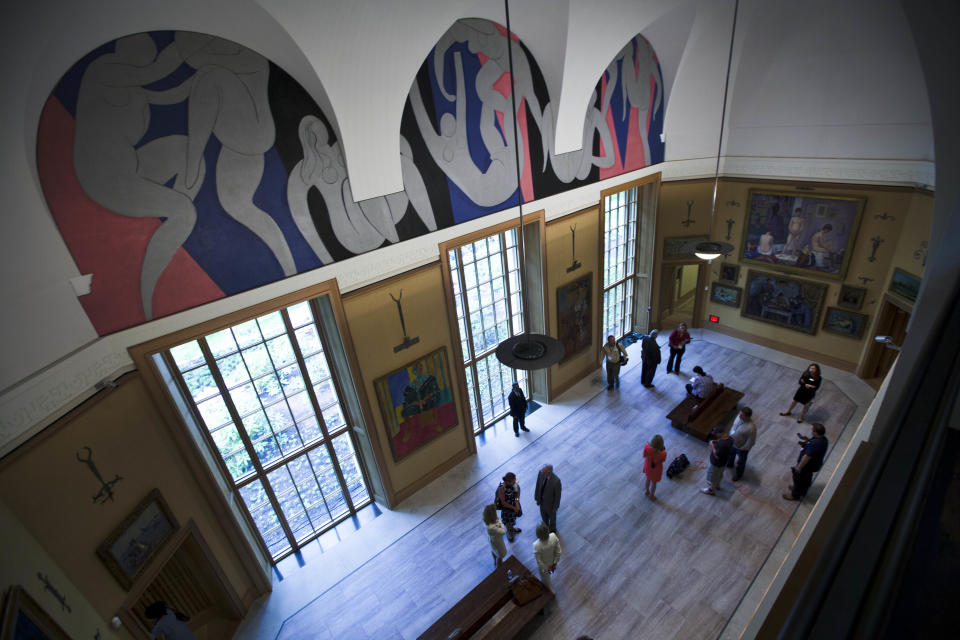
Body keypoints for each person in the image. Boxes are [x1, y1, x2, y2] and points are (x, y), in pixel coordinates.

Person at [784, 423, 828, 501]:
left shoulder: (815, 444)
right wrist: (807, 440)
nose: (811, 432)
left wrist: (799, 467)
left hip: (807, 466)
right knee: (806, 479)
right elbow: (814, 448)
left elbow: (807, 457)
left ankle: (795, 495)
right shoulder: (823, 440)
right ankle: (801, 490)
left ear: (816, 432)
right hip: (813, 465)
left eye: (812, 430)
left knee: (798, 478)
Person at [701, 426, 732, 496]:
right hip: (723, 463)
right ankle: (717, 485)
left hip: (717, 464)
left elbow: (717, 456)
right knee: (719, 475)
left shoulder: (723, 445)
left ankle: (711, 490)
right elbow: (723, 446)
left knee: (713, 476)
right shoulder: (729, 439)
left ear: (720, 433)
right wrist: (717, 442)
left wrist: (712, 446)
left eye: (716, 434)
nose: (715, 435)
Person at [727, 407, 756, 481]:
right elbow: (734, 426)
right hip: (733, 442)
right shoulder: (738, 417)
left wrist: (743, 448)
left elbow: (751, 441)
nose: (739, 416)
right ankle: (730, 464)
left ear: (747, 416)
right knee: (731, 454)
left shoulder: (751, 427)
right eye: (740, 414)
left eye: (742, 415)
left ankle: (739, 475)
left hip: (742, 448)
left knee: (741, 462)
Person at [533, 522, 562, 592]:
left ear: (537, 534)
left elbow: (539, 561)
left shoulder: (536, 545)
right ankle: (549, 574)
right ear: (548, 530)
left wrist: (545, 568)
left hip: (544, 566)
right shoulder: (553, 536)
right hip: (552, 562)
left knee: (545, 576)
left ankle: (550, 588)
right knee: (550, 571)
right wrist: (555, 563)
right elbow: (558, 552)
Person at [535, 464, 562, 534]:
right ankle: (546, 527)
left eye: (544, 472)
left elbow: (558, 496)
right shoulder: (541, 473)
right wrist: (536, 496)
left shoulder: (556, 481)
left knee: (552, 518)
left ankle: (552, 530)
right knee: (543, 516)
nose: (542, 473)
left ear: (549, 472)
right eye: (542, 471)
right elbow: (538, 485)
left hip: (551, 504)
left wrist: (556, 507)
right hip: (541, 501)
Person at [496, 472, 522, 541]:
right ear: (508, 482)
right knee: (507, 521)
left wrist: (516, 502)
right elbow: (503, 502)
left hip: (514, 505)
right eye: (513, 482)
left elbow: (517, 495)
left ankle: (512, 529)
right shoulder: (502, 488)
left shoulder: (514, 484)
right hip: (507, 508)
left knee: (513, 519)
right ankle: (509, 532)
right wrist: (513, 507)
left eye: (514, 481)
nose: (515, 483)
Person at [642, 434, 667, 500]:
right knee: (654, 483)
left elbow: (644, 456)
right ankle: (652, 495)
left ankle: (647, 491)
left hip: (648, 467)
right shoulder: (663, 453)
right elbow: (663, 460)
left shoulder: (647, 447)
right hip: (656, 470)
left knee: (648, 479)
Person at [483, 504, 507, 568]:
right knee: (500, 555)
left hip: (491, 539)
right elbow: (503, 532)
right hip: (497, 541)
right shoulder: (493, 527)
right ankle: (499, 566)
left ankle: (495, 561)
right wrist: (499, 521)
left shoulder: (486, 522)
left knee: (493, 549)